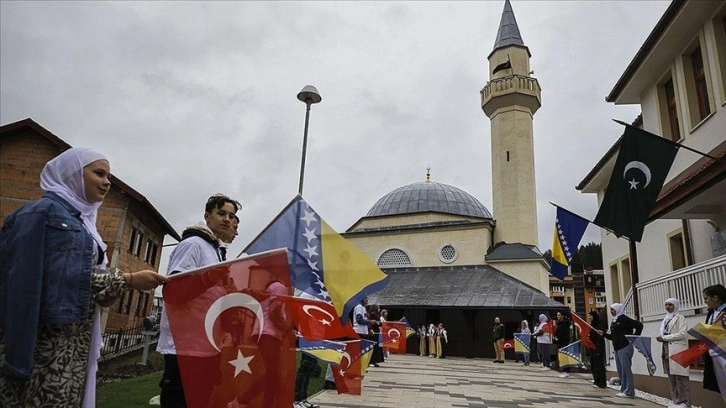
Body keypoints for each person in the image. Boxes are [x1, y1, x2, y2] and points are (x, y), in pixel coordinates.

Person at [0, 147, 167, 407]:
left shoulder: (83, 222)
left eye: (109, 176)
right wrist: (127, 280)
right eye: (99, 173)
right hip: (45, 345)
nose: (107, 182)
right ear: (72, 175)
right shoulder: (40, 215)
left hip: (75, 342)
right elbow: (55, 279)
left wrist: (112, 290)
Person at [157, 194, 241, 408]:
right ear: (207, 216)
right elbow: (174, 292)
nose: (227, 219)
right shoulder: (193, 245)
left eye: (231, 216)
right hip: (185, 348)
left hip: (206, 345)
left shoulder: (215, 251)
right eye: (221, 213)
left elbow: (212, 297)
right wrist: (210, 277)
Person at [599, 303, 643, 399]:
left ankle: (629, 391)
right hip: (617, 347)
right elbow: (613, 337)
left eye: (613, 309)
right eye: (610, 310)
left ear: (618, 309)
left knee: (626, 369)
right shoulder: (614, 321)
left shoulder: (623, 319)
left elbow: (639, 325)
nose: (611, 311)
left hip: (625, 347)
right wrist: (604, 334)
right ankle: (624, 389)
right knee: (621, 369)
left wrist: (633, 338)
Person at [655, 298, 690, 408]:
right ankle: (675, 400)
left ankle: (684, 401)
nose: (668, 307)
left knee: (681, 376)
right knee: (671, 376)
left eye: (670, 305)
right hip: (666, 349)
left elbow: (682, 334)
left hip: (677, 349)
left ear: (675, 305)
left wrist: (665, 337)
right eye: (666, 304)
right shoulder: (665, 319)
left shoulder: (680, 318)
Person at [293, 292, 322, 408]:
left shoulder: (320, 294)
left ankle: (304, 398)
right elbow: (301, 314)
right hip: (308, 335)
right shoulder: (307, 294)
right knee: (305, 366)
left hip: (317, 334)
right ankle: (297, 399)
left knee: (311, 366)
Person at [702, 284, 726, 403]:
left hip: (724, 351)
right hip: (714, 353)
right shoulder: (711, 313)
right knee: (722, 385)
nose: (705, 302)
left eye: (706, 298)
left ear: (715, 298)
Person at [588, 310, 608, 389]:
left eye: (590, 316)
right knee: (594, 365)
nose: (589, 317)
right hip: (592, 347)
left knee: (599, 365)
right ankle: (596, 380)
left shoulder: (599, 325)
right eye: (588, 316)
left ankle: (601, 382)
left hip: (598, 348)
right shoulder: (592, 325)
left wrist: (598, 349)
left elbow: (600, 338)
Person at [555, 311, 572, 378]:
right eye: (557, 315)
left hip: (564, 342)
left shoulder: (564, 323)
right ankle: (564, 370)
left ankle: (566, 371)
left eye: (559, 315)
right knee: (562, 356)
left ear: (562, 316)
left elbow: (562, 332)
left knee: (565, 356)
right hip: (560, 341)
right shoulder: (559, 323)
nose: (558, 317)